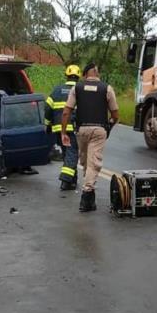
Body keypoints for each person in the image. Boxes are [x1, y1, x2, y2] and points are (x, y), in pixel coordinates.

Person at [61, 63, 119, 212]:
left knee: (87, 161)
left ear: (85, 74)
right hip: (99, 129)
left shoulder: (77, 88)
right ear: (97, 73)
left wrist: (63, 133)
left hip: (81, 129)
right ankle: (87, 196)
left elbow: (66, 112)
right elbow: (115, 114)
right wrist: (109, 127)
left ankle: (88, 194)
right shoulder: (107, 88)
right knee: (92, 162)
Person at [45, 64, 80, 190]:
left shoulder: (57, 90)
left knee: (67, 153)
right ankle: (65, 180)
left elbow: (48, 108)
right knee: (72, 153)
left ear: (67, 76)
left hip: (58, 129)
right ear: (78, 77)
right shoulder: (79, 90)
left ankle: (73, 180)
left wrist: (48, 123)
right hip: (72, 127)